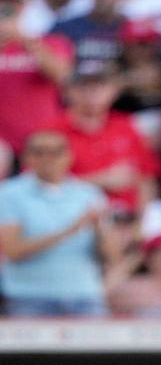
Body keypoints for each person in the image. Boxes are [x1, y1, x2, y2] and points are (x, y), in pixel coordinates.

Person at [0, 130, 122, 317]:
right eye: (39, 152)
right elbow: (12, 250)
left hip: (84, 295)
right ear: (26, 158)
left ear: (69, 156)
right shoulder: (9, 194)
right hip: (28, 297)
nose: (48, 159)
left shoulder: (89, 194)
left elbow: (112, 256)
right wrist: (70, 229)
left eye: (56, 152)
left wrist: (100, 231)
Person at [50, 61, 160, 219]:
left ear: (113, 91)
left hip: (127, 218)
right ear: (68, 91)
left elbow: (146, 179)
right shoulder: (53, 131)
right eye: (83, 86)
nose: (92, 92)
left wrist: (140, 224)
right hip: (73, 219)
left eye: (100, 85)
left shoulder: (126, 125)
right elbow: (40, 185)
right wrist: (99, 180)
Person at [0, 0, 73, 170]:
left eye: (13, 3)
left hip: (41, 142)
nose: (6, 10)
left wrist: (24, 40)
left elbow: (62, 76)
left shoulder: (51, 41)